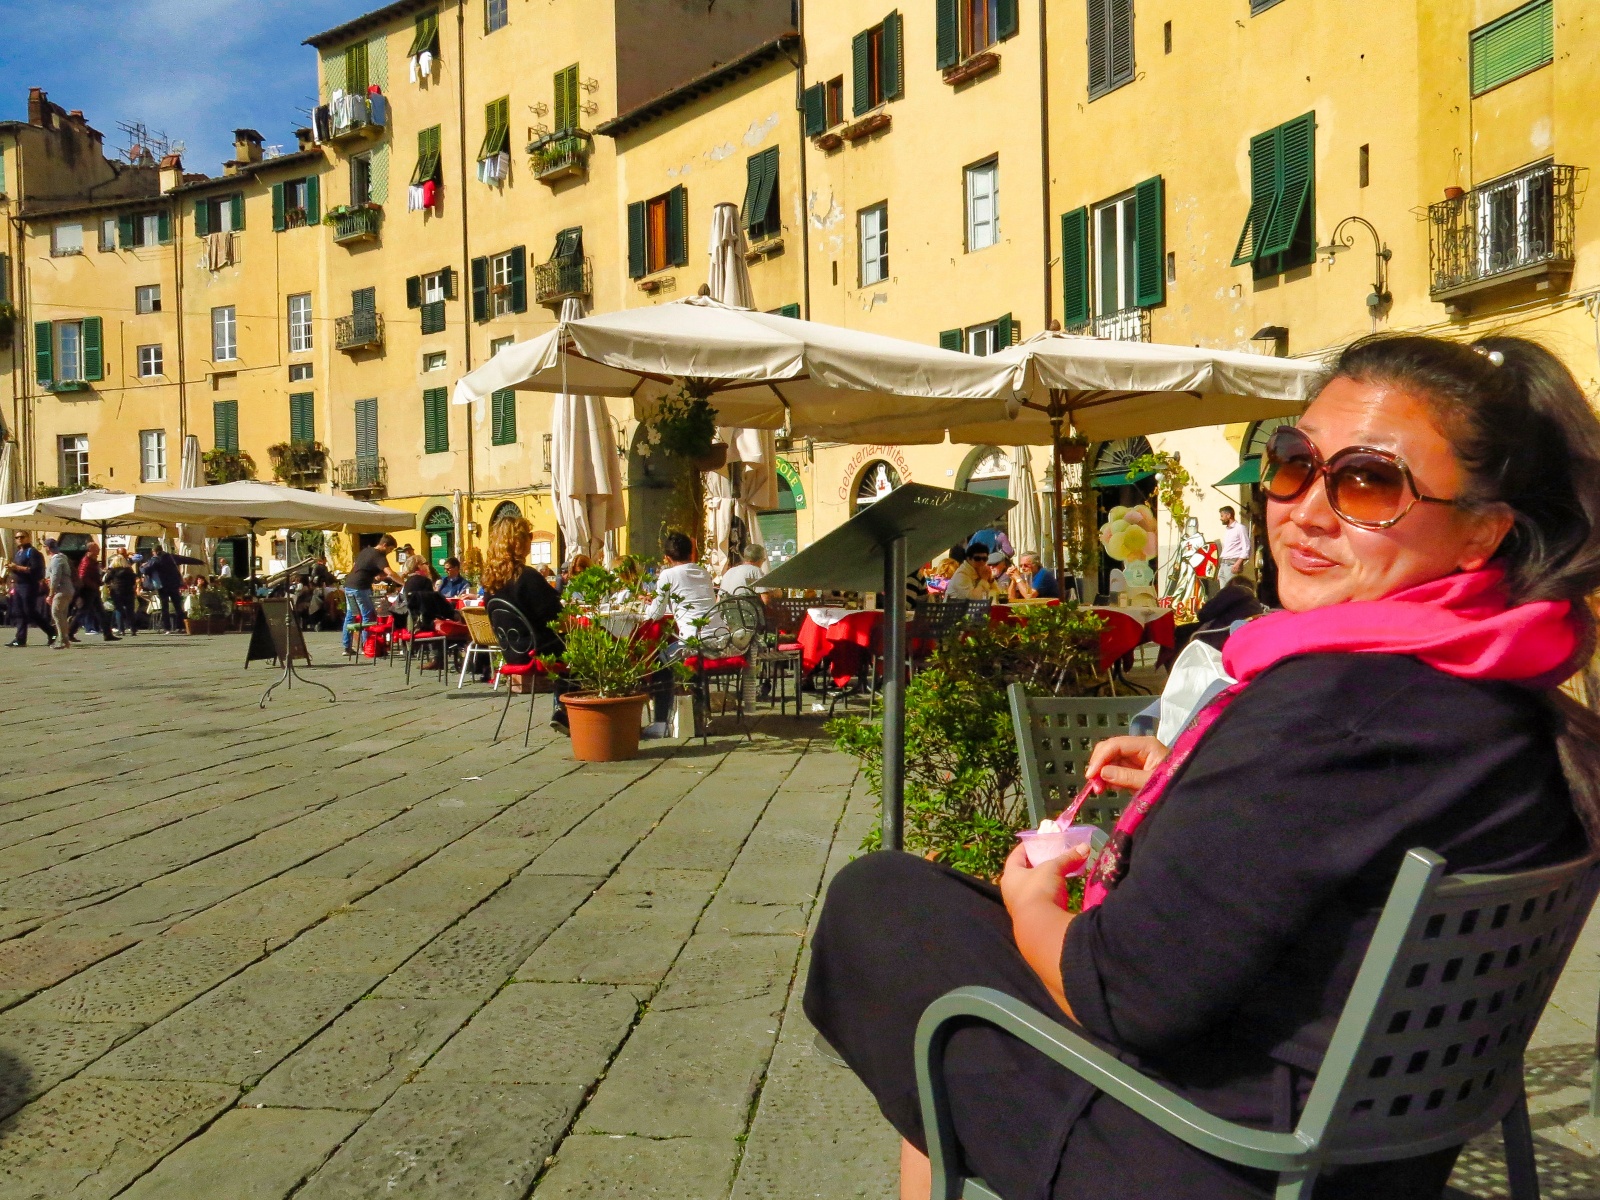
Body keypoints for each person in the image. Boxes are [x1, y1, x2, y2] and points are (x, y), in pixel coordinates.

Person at [804, 333, 1600, 1200]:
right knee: (931, 919)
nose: (1305, 510)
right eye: (1294, 463)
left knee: (880, 903)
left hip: (1213, 1152)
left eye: (1368, 483)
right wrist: (1202, 780)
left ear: (1484, 531)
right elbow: (1336, 827)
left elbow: (1120, 991)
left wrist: (1032, 903)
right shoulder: (1509, 694)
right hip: (1371, 1149)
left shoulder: (1333, 706)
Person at [481, 516, 566, 727]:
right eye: (528, 536)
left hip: (512, 651)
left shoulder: (490, 581)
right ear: (518, 541)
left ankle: (565, 710)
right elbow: (556, 616)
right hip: (537, 650)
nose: (531, 540)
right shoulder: (527, 577)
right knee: (584, 645)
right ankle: (566, 709)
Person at [342, 534, 405, 655]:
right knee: (368, 617)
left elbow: (368, 571)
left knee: (350, 615)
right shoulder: (379, 555)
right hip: (361, 587)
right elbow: (390, 573)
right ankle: (368, 646)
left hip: (349, 585)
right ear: (384, 545)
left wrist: (378, 577)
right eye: (390, 550)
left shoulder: (366, 550)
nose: (389, 552)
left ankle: (347, 647)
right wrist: (404, 583)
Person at [6, 531, 51, 647]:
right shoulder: (18, 553)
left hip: (29, 585)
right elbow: (18, 569)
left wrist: (17, 567)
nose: (19, 539)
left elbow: (36, 570)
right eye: (17, 537)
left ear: (28, 538)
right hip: (18, 585)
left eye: (22, 537)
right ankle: (20, 638)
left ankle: (51, 631)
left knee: (29, 611)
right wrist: (11, 570)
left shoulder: (33, 552)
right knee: (19, 612)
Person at [73, 542, 117, 641]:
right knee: (83, 612)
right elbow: (82, 576)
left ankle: (107, 634)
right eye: (96, 549)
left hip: (93, 589)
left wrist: (98, 581)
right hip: (88, 590)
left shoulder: (92, 561)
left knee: (101, 612)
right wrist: (93, 584)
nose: (98, 551)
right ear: (90, 550)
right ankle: (70, 632)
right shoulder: (86, 561)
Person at [42, 539, 75, 650]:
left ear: (48, 547)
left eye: (44, 546)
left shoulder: (57, 559)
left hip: (62, 590)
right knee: (61, 615)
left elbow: (56, 577)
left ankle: (61, 640)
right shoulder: (61, 558)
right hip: (66, 590)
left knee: (56, 614)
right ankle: (64, 640)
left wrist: (50, 594)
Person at [144, 547, 185, 634]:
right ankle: (181, 627)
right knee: (178, 606)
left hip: (163, 586)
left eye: (153, 552)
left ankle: (167, 628)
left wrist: (142, 566)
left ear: (155, 551)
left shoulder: (156, 560)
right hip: (174, 585)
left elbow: (146, 570)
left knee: (165, 607)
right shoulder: (170, 558)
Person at [104, 553, 139, 636]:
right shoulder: (129, 570)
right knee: (130, 611)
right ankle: (133, 629)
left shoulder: (113, 571)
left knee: (118, 610)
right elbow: (133, 581)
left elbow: (106, 580)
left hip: (117, 592)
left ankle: (121, 630)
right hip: (129, 591)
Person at [1218, 504, 1252, 586]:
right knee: (1223, 592)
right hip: (1223, 564)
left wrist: (1238, 563)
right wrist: (1221, 568)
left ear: (1228, 515)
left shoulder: (1240, 528)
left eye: (1222, 516)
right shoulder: (1228, 530)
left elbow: (1246, 547)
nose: (1220, 518)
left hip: (1232, 564)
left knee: (1231, 590)